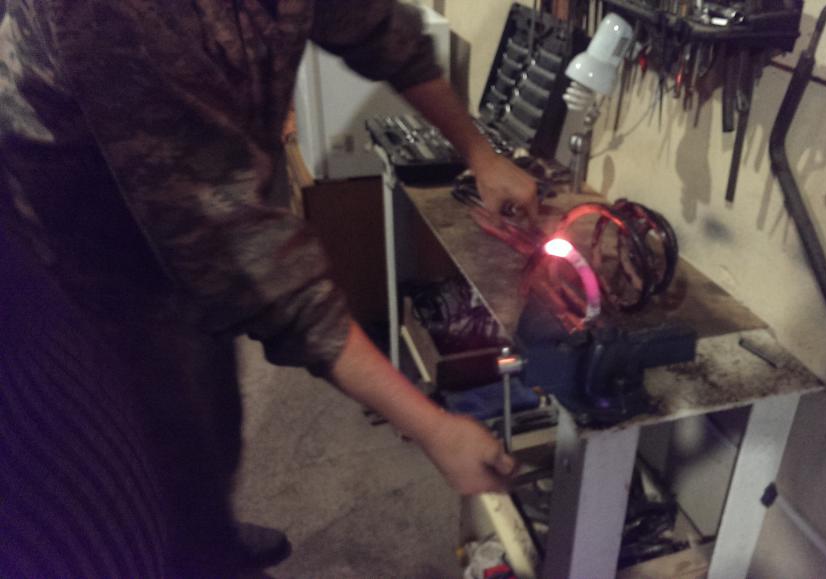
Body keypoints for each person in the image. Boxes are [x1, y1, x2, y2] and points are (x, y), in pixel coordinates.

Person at [0, 0, 538, 575]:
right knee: (137, 445)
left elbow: (380, 31)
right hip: (80, 238)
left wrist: (479, 153)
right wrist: (431, 426)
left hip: (190, 182)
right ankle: (194, 546)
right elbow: (242, 252)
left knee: (209, 399)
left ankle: (211, 526)